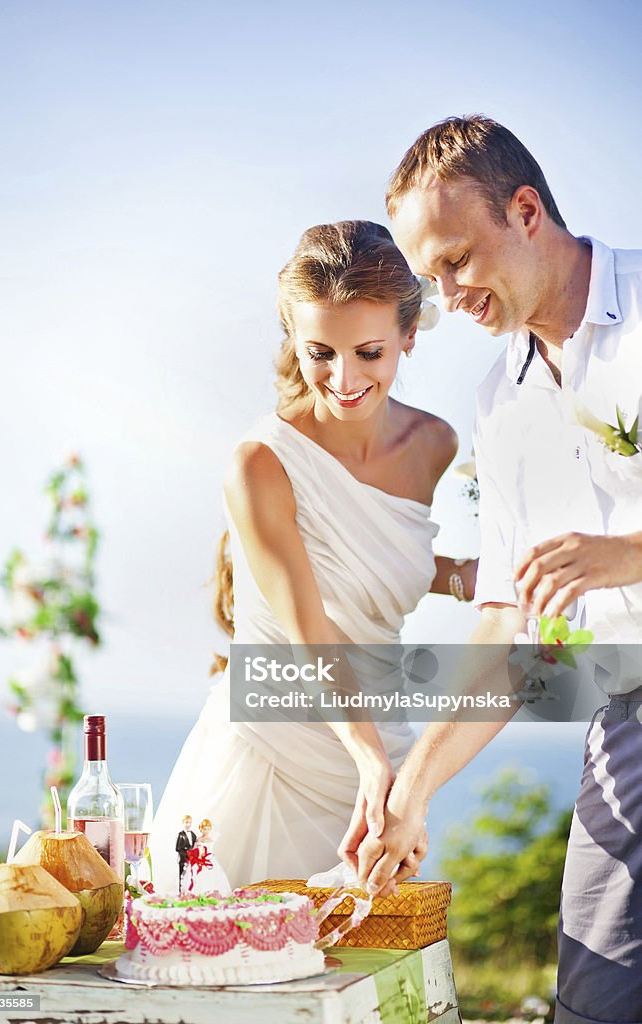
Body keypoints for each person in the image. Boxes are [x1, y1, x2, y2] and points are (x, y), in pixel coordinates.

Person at [350, 116, 642, 1024]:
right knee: (594, 1002)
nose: (445, 294)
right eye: (428, 276)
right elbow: (503, 623)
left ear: (525, 211)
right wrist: (409, 793)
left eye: (456, 260)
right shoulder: (498, 401)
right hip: (626, 715)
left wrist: (627, 554)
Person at [150, 220, 477, 892]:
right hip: (272, 755)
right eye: (320, 352)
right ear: (294, 344)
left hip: (380, 754)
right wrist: (368, 759)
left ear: (408, 337)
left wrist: (460, 577)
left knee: (374, 982)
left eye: (369, 351)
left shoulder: (436, 445)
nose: (344, 377)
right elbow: (309, 632)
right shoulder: (259, 464)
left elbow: (373, 561)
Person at [175, 813, 197, 895]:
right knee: (182, 875)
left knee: (191, 874)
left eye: (190, 822)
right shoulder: (181, 835)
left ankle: (189, 891)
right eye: (186, 822)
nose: (188, 824)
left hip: (192, 859)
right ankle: (181, 891)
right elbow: (178, 848)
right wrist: (186, 854)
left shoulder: (193, 834)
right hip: (183, 859)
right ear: (183, 823)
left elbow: (195, 845)